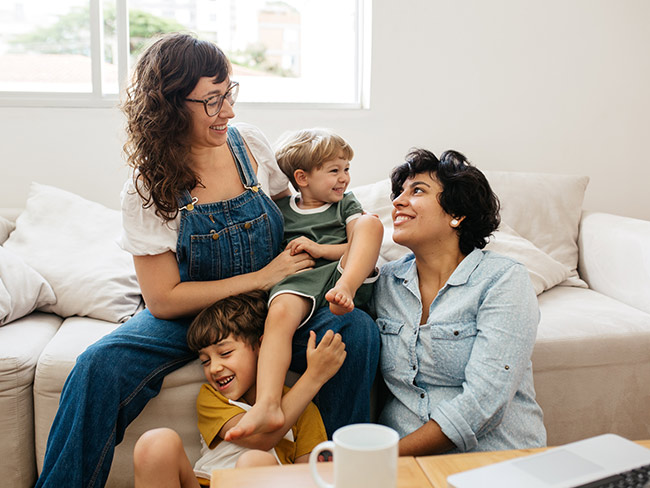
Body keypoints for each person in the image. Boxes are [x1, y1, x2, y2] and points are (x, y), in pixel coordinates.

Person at [35, 32, 379, 488]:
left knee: (356, 332)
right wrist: (258, 276)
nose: (229, 112)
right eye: (212, 101)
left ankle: (342, 478)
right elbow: (162, 299)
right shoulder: (146, 190)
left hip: (277, 301)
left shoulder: (250, 147)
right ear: (171, 106)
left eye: (228, 94)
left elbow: (293, 217)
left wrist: (328, 255)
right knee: (98, 366)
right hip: (194, 313)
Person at [371, 148, 546, 455]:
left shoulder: (503, 279)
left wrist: (383, 456)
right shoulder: (385, 282)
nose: (398, 201)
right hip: (406, 468)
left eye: (417, 191)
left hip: (495, 458)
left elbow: (484, 401)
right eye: (398, 193)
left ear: (456, 214)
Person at [228, 128, 383, 440]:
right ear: (301, 177)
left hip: (342, 273)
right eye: (334, 171)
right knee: (280, 314)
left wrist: (322, 250)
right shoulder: (282, 211)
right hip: (301, 278)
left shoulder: (346, 205)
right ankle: (268, 403)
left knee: (370, 222)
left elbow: (359, 244)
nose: (344, 179)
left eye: (347, 169)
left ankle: (347, 291)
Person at [133, 290, 345, 488]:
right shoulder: (213, 398)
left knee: (254, 461)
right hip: (207, 482)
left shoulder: (304, 410)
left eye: (225, 353)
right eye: (205, 361)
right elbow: (259, 438)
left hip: (265, 480)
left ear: (262, 347)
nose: (214, 368)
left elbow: (307, 476)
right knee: (155, 443)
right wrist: (314, 377)